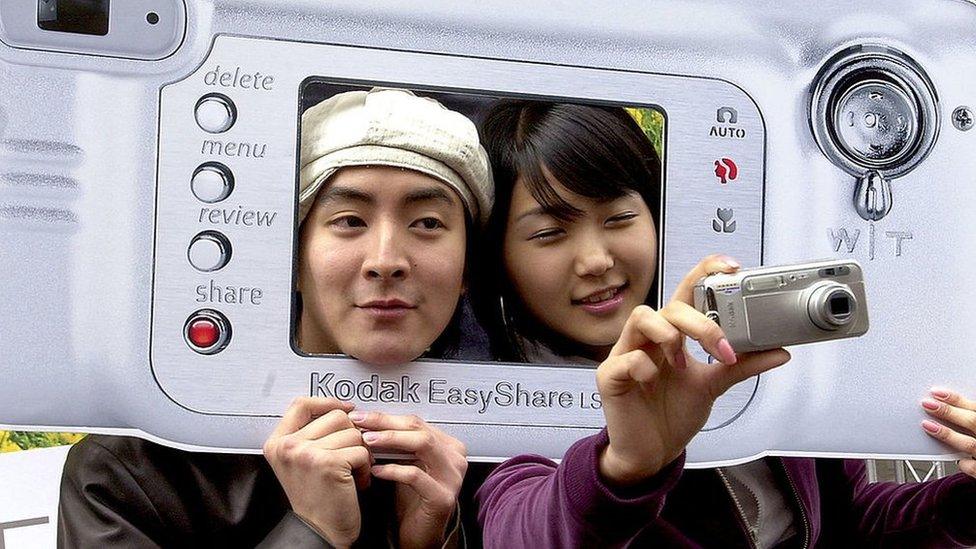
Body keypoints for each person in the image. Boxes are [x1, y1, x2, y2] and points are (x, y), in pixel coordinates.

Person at [472, 99, 976, 547]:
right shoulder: (488, 402)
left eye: (619, 217)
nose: (595, 260)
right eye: (549, 233)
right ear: (498, 256)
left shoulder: (746, 343)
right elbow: (520, 528)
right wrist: (622, 468)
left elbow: (851, 517)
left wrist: (964, 502)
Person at [58, 88, 495, 548]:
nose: (386, 260)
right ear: (291, 258)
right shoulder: (126, 475)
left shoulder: (507, 460)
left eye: (427, 222)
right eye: (349, 220)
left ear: (468, 268)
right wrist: (313, 532)